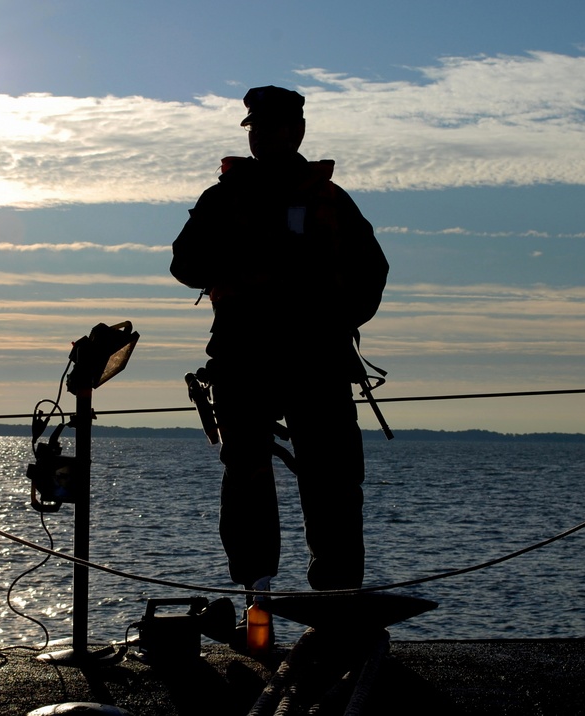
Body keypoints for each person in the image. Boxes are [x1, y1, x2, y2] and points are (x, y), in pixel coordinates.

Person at [170, 86, 388, 605]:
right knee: (247, 473)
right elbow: (185, 265)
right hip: (245, 358)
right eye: (256, 127)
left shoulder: (331, 199)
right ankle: (258, 594)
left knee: (333, 478)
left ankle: (336, 597)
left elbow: (372, 270)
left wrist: (338, 320)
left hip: (318, 359)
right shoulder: (223, 198)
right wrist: (231, 253)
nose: (263, 135)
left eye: (273, 126)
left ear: (298, 131)